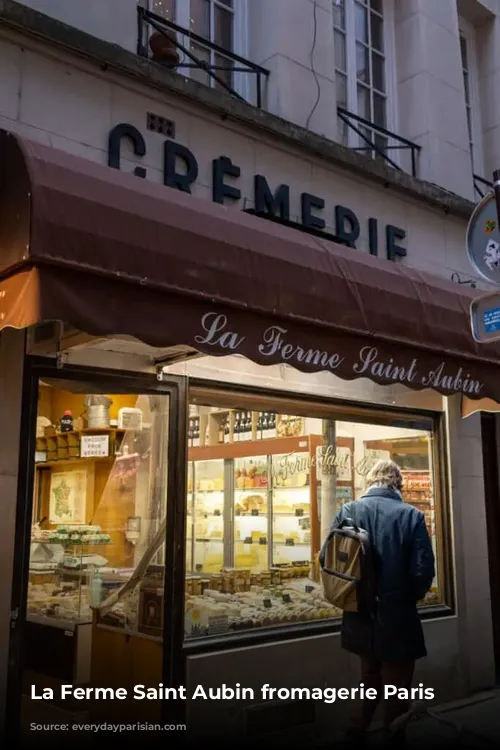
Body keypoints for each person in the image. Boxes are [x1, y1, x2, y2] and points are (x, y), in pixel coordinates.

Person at [320, 459, 435, 747]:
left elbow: (326, 558)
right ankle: (392, 741)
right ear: (398, 484)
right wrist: (412, 597)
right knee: (397, 692)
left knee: (369, 679)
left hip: (359, 613)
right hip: (396, 616)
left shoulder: (349, 510)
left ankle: (354, 734)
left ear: (370, 481)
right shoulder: (411, 516)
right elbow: (423, 571)